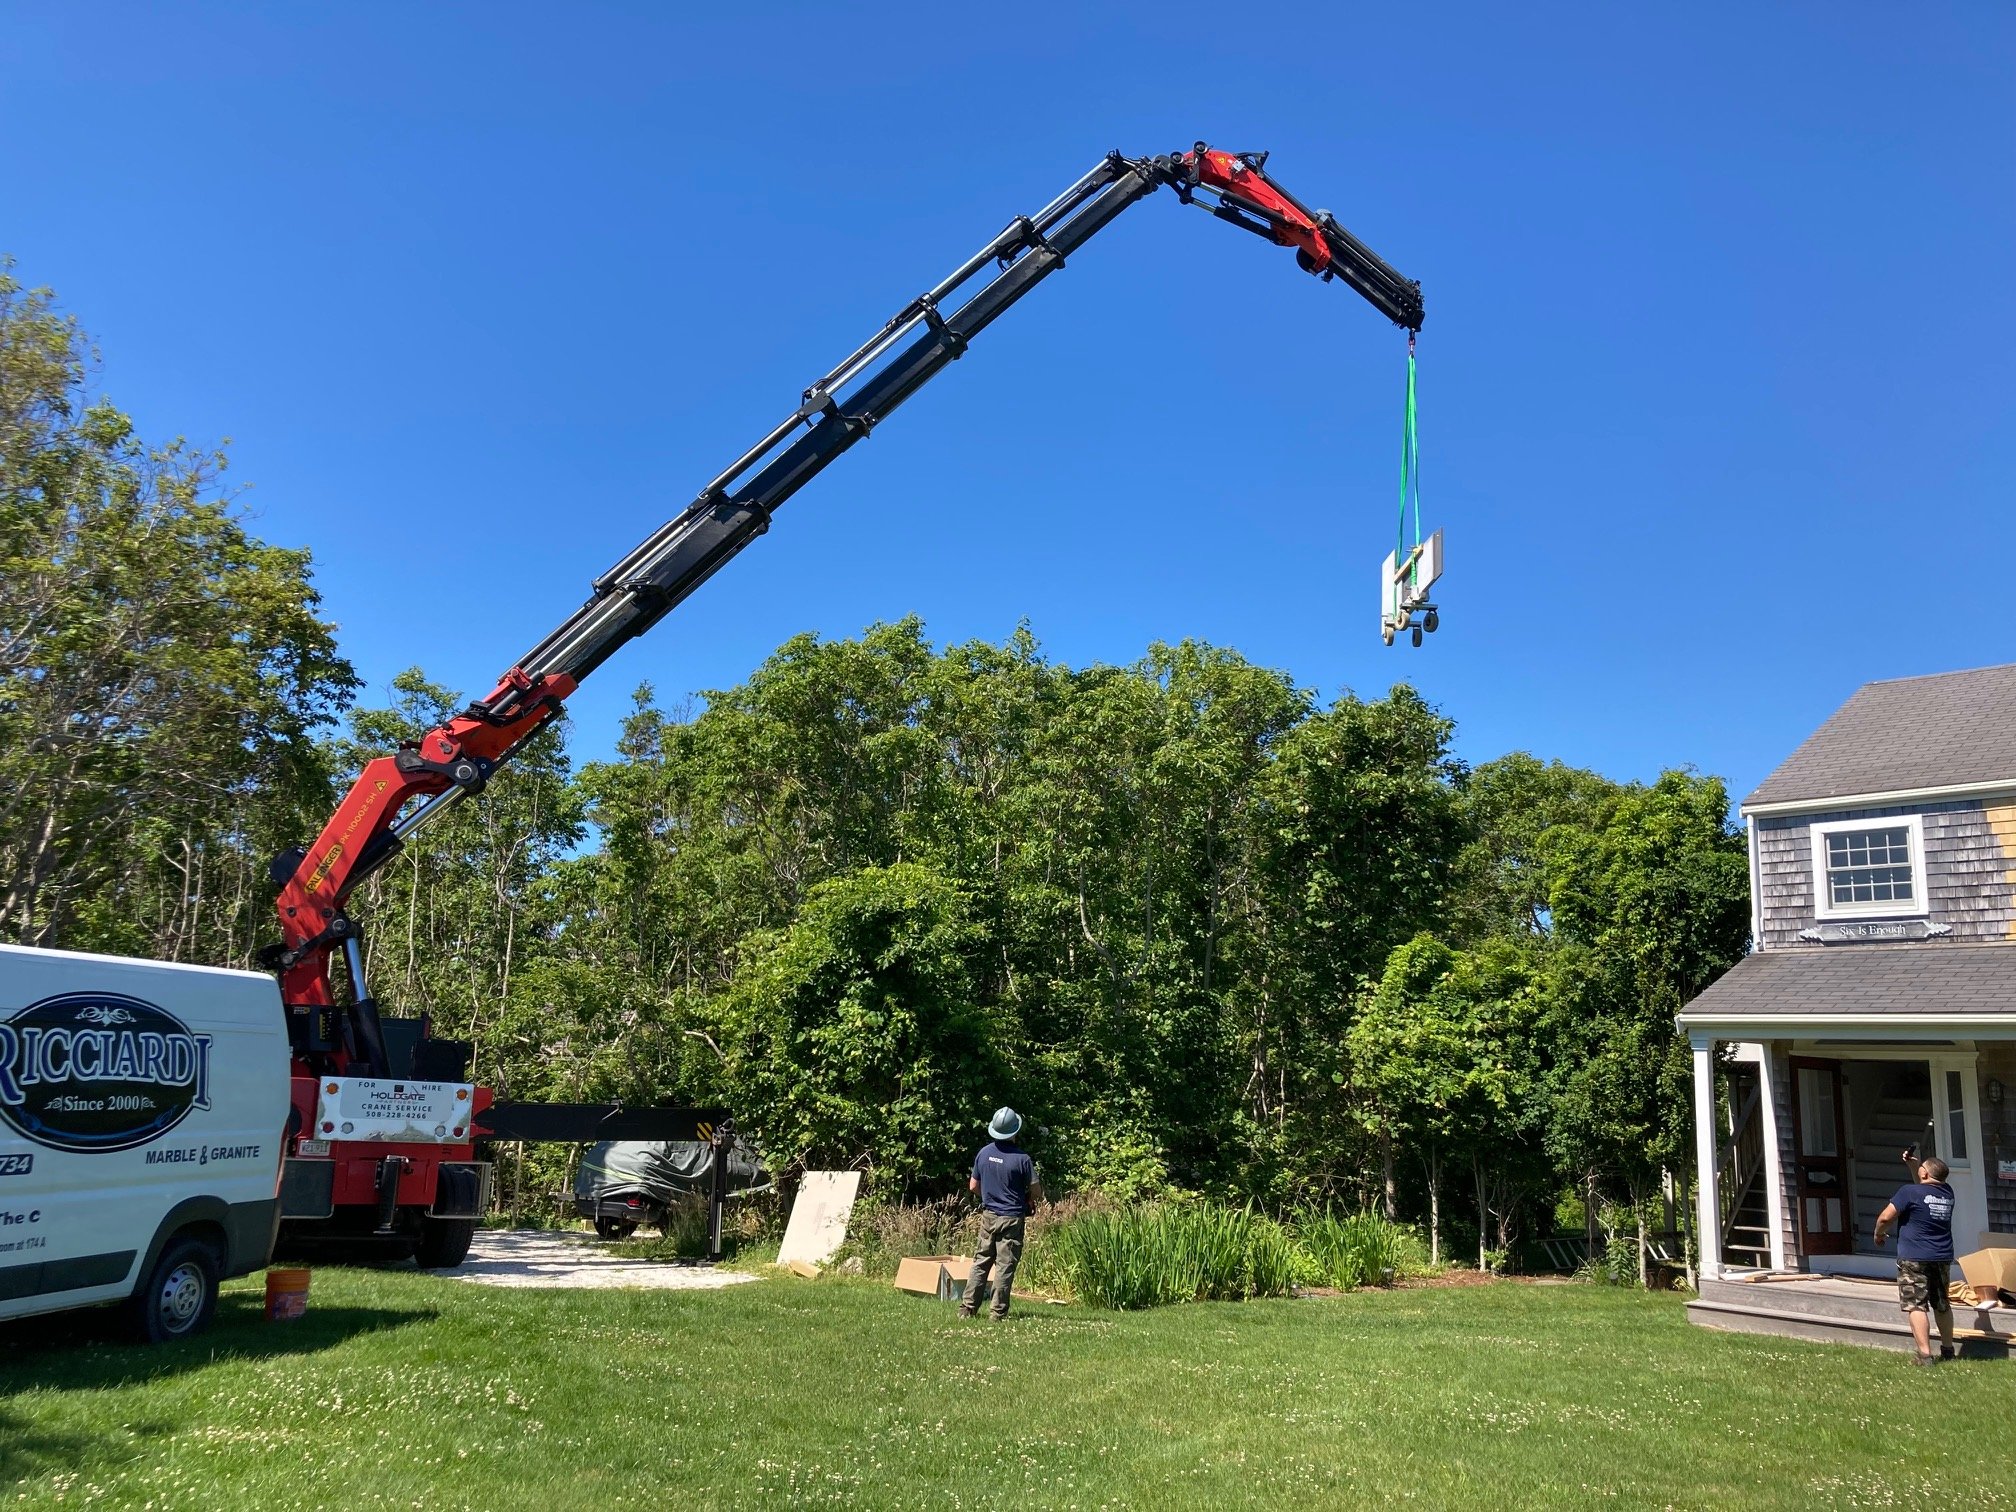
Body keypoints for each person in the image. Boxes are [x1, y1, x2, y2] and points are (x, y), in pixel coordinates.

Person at [1873, 1150, 1958, 1364]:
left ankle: (1925, 1356)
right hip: (1941, 1256)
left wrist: (1878, 1234)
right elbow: (1923, 1190)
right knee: (1942, 1303)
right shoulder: (1947, 1192)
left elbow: (1885, 1218)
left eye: (1922, 1169)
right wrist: (1915, 1165)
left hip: (1914, 1258)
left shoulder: (1908, 1192)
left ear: (1925, 1174)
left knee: (1916, 1305)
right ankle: (1948, 1350)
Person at [962, 1106, 1040, 1321]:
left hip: (989, 1215)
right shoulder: (1022, 1159)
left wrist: (989, 1197)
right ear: (1015, 1130)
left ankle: (967, 1309)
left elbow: (973, 1186)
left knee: (981, 1262)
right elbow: (1036, 1190)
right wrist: (1028, 1199)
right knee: (1004, 1267)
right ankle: (997, 1313)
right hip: (1012, 1218)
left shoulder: (984, 1153)